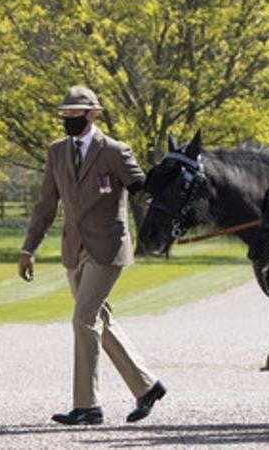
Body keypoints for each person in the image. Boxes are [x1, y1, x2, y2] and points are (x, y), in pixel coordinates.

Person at [18, 85, 166, 425]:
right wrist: (29, 248)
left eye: (76, 114)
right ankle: (147, 387)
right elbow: (45, 206)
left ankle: (87, 406)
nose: (69, 119)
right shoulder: (56, 152)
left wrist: (162, 199)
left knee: (83, 319)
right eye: (65, 114)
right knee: (99, 319)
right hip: (74, 249)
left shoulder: (114, 150)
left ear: (93, 114)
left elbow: (141, 192)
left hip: (108, 248)